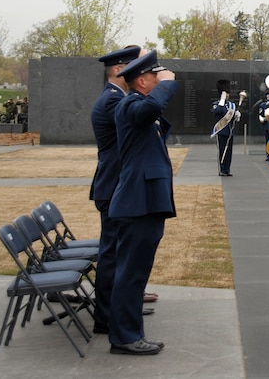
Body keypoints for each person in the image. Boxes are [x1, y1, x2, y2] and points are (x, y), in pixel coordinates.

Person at [108, 49, 177, 355]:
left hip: (145, 202)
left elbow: (155, 120)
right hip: (137, 204)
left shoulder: (138, 106)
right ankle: (124, 336)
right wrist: (166, 85)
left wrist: (159, 89)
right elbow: (149, 111)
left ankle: (130, 331)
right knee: (131, 274)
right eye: (154, 75)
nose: (159, 78)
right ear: (142, 82)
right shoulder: (129, 106)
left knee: (137, 273)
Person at [89, 46, 142, 337]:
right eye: (133, 68)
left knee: (119, 252)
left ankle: (120, 306)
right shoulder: (112, 102)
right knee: (112, 254)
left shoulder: (116, 98)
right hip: (112, 186)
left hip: (114, 184)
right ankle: (107, 316)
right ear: (119, 70)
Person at [212, 80, 242, 177]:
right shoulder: (217, 103)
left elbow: (233, 118)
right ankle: (221, 169)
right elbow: (218, 111)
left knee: (229, 152)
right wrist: (222, 100)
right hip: (221, 130)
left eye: (228, 93)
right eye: (225, 94)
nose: (227, 95)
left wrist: (237, 116)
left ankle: (227, 169)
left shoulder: (231, 105)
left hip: (229, 131)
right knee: (222, 151)